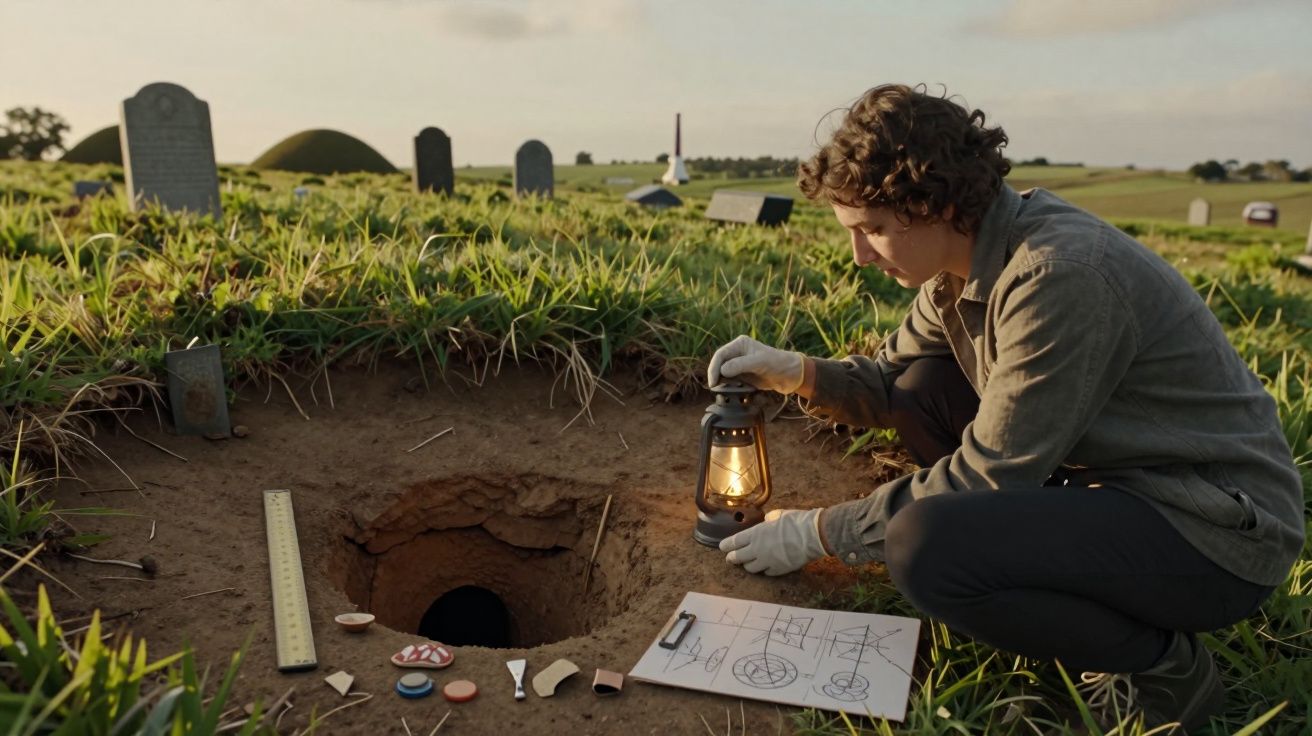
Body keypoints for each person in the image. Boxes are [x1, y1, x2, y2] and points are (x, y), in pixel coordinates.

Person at [706, 83, 1303, 732]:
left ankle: (1161, 672)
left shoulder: (1058, 275)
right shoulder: (957, 266)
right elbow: (889, 381)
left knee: (925, 545)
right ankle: (1071, 598)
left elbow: (988, 477)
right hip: (1115, 484)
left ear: (936, 202)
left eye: (873, 230)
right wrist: (792, 372)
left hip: (1210, 533)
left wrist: (819, 532)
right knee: (923, 386)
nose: (859, 254)